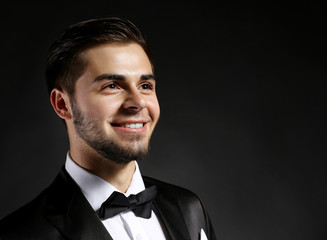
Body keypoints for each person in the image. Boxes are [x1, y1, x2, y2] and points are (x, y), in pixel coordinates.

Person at [0, 17, 216, 240]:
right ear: (63, 105)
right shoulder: (19, 235)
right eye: (112, 86)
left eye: (145, 86)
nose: (138, 102)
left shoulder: (189, 207)